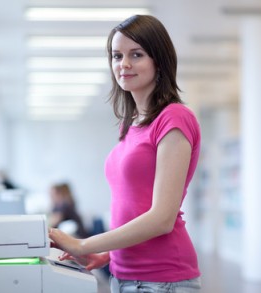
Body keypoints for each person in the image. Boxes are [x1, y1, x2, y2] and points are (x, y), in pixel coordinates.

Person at [49, 14, 201, 292]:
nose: (124, 64)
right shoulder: (129, 125)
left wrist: (83, 243)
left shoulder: (174, 118)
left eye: (137, 54)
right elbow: (133, 204)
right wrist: (110, 252)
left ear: (159, 60)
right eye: (117, 56)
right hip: (123, 274)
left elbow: (162, 218)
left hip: (162, 279)